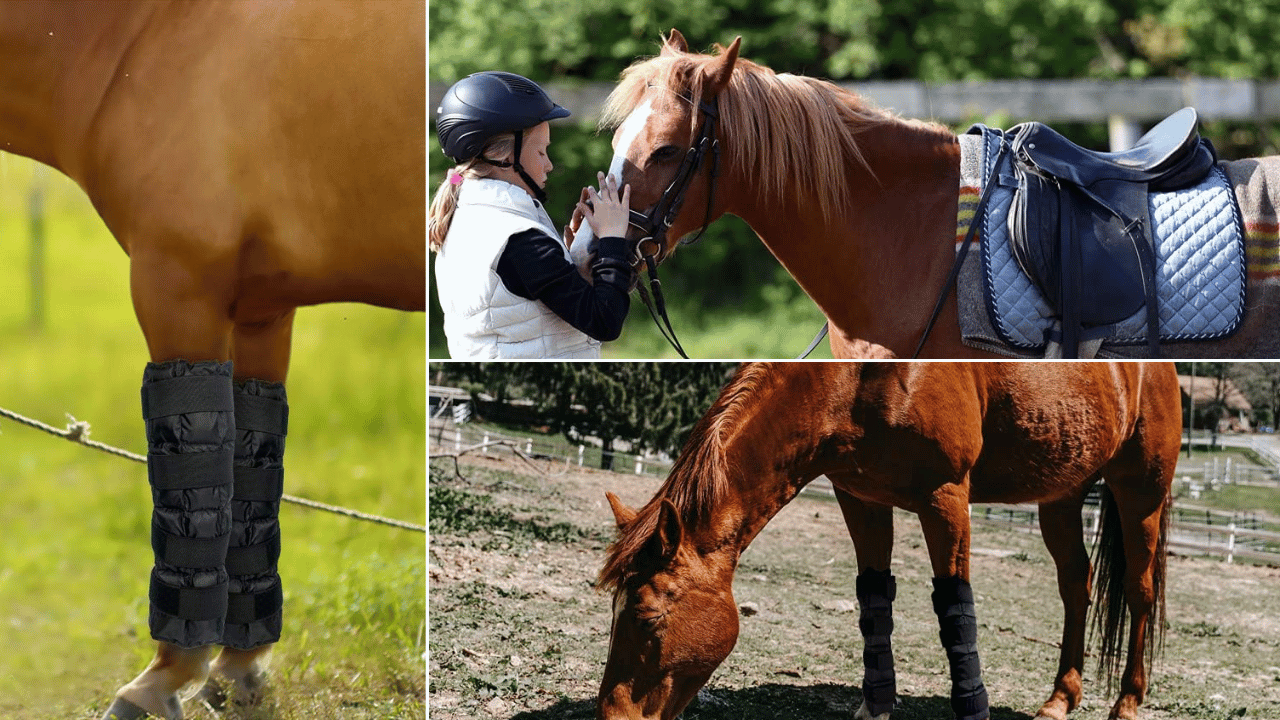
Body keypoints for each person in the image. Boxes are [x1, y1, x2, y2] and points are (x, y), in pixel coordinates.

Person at [430, 70, 635, 358]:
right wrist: (614, 237)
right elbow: (605, 321)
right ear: (504, 157)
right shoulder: (520, 240)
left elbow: (520, 305)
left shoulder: (463, 217)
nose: (549, 165)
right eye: (541, 152)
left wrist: (568, 256)